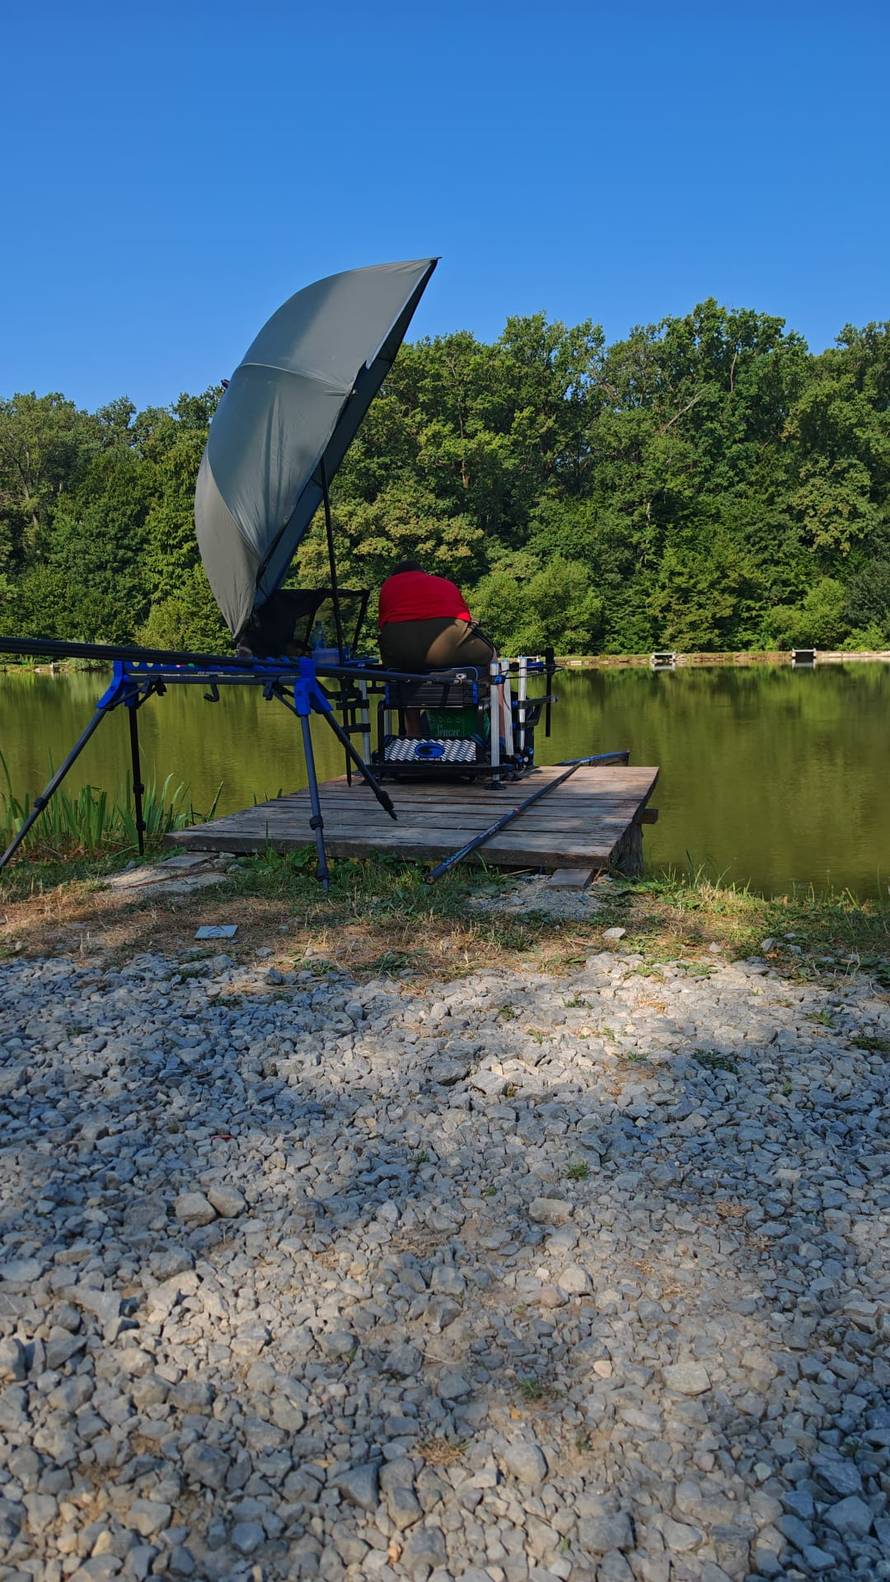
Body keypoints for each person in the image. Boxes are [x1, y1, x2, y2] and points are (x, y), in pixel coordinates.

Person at [378, 561, 495, 671]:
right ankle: (493, 685)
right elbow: (466, 618)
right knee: (491, 654)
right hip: (449, 645)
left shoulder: (388, 586)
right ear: (421, 572)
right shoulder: (444, 583)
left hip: (402, 653)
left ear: (394, 575)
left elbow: (383, 625)